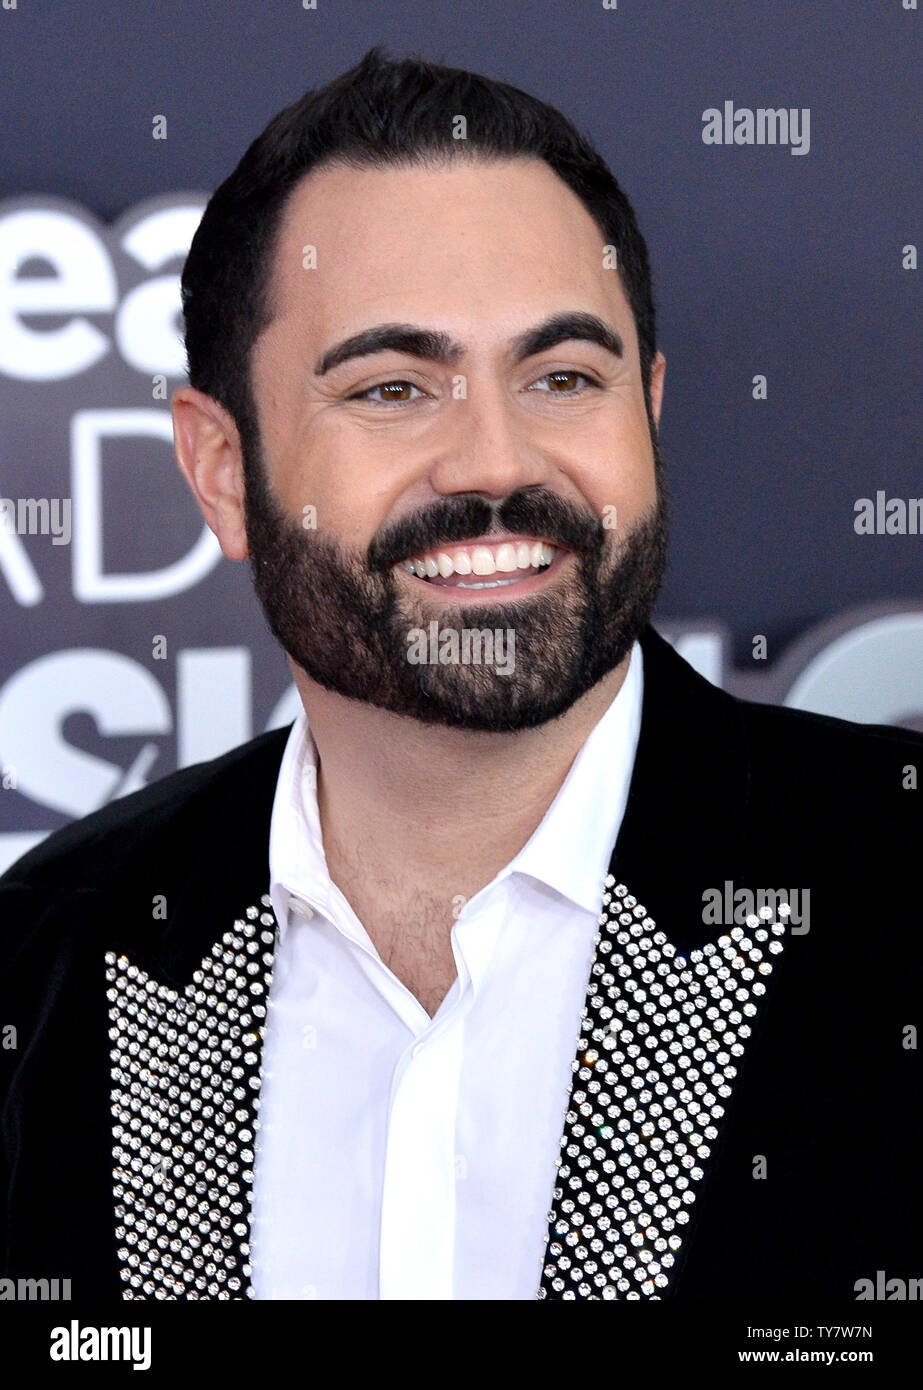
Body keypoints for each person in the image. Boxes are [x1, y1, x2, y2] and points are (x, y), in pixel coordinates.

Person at [1, 47, 919, 1303]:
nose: (494, 462)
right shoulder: (48, 956)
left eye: (561, 378)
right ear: (223, 471)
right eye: (392, 387)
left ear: (646, 411)